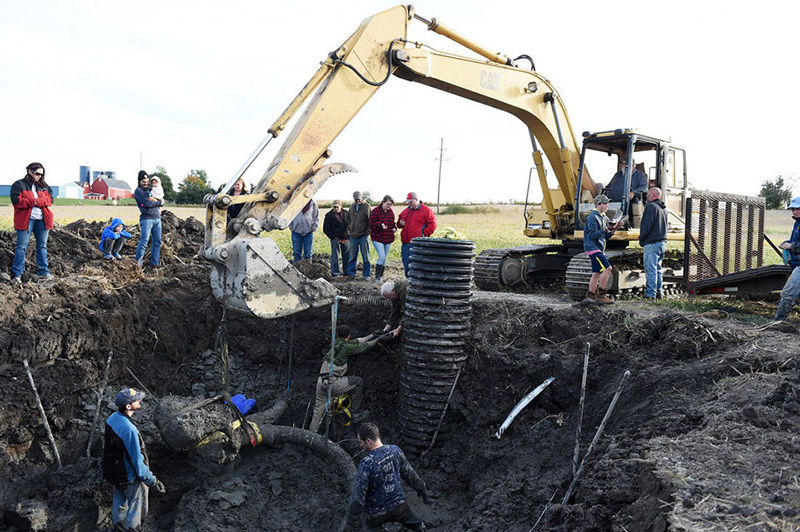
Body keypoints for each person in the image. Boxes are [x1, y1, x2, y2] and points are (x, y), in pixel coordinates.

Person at [344, 422, 429, 532]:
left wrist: (350, 521)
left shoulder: (366, 463)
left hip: (376, 513)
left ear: (368, 441)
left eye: (361, 442)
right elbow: (409, 474)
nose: (360, 446)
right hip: (399, 507)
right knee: (416, 523)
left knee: (369, 525)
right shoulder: (395, 451)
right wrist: (421, 487)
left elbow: (358, 495)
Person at [309, 325, 392, 434]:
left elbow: (358, 341)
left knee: (318, 411)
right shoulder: (346, 348)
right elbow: (364, 346)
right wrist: (378, 339)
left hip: (321, 383)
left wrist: (373, 335)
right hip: (332, 383)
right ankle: (355, 414)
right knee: (358, 382)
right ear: (348, 336)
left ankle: (310, 436)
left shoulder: (337, 343)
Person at [103, 388, 165, 531]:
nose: (140, 400)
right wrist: (150, 480)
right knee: (137, 511)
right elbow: (137, 459)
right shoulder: (129, 429)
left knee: (119, 505)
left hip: (115, 474)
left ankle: (118, 528)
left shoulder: (112, 419)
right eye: (137, 399)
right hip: (130, 477)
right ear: (128, 406)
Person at [11, 163, 55, 283]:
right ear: (30, 171)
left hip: (42, 219)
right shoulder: (18, 185)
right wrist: (36, 202)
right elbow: (17, 201)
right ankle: (17, 274)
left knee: (42, 246)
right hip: (26, 220)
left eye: (41, 174)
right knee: (21, 247)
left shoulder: (44, 186)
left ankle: (43, 271)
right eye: (37, 174)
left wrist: (34, 201)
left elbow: (50, 200)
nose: (39, 176)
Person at [583, 194, 622, 304]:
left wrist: (613, 230)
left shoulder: (604, 217)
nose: (607, 205)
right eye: (604, 203)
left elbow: (604, 237)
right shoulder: (592, 217)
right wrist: (605, 230)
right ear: (597, 204)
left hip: (598, 248)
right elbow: (592, 235)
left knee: (596, 273)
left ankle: (590, 296)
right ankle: (601, 295)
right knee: (608, 268)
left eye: (607, 203)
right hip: (593, 248)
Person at [773, 196, 800, 322]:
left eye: (798, 209)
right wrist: (786, 243)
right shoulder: (797, 223)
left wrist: (792, 246)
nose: (795, 212)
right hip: (796, 263)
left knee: (788, 294)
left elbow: (796, 245)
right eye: (793, 209)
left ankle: (777, 322)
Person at [638, 187, 668, 300]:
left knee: (651, 269)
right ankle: (659, 293)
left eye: (648, 194)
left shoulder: (651, 207)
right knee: (658, 269)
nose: (646, 196)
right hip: (662, 242)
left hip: (652, 243)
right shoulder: (664, 208)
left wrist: (641, 239)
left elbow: (646, 226)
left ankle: (650, 295)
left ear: (652, 195)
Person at [397, 192, 437, 277]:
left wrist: (423, 235)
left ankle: (416, 284)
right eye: (408, 202)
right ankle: (408, 283)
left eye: (411, 202)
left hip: (417, 244)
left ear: (416, 200)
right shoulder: (405, 211)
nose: (409, 204)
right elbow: (399, 224)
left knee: (416, 266)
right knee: (406, 265)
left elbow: (432, 224)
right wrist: (400, 223)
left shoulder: (426, 211)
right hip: (405, 243)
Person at [133, 171, 163, 269]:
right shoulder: (138, 191)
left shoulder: (151, 189)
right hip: (146, 219)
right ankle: (138, 264)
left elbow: (161, 198)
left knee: (157, 242)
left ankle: (154, 264)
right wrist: (158, 203)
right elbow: (147, 204)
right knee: (144, 241)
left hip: (157, 218)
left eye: (147, 181)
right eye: (143, 181)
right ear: (139, 181)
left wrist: (158, 201)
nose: (146, 183)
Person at [607, 160, 647, 226]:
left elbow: (644, 188)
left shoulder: (640, 175)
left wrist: (633, 193)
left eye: (627, 164)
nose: (624, 165)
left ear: (634, 165)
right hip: (614, 204)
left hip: (629, 204)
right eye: (623, 164)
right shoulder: (618, 175)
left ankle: (629, 224)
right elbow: (609, 186)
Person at [370, 195, 397, 283]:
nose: (389, 206)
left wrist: (394, 228)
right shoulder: (375, 211)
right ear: (383, 202)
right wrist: (380, 225)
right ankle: (377, 277)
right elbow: (371, 224)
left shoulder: (391, 212)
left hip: (388, 237)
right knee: (381, 256)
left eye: (391, 205)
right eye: (388, 204)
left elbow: (392, 223)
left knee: (385, 258)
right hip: (377, 237)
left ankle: (381, 275)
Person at [347, 191, 372, 279]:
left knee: (365, 256)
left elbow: (370, 221)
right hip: (353, 235)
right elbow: (348, 219)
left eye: (359, 199)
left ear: (362, 198)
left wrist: (367, 232)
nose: (357, 201)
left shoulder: (367, 207)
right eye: (356, 199)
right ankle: (351, 274)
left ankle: (366, 275)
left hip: (363, 236)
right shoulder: (352, 207)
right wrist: (348, 230)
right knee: (352, 256)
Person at [323, 199, 351, 277]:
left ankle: (347, 273)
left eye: (337, 207)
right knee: (335, 256)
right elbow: (326, 229)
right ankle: (335, 273)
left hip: (346, 239)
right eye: (334, 207)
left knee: (347, 257)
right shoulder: (329, 216)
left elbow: (350, 224)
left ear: (341, 206)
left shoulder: (346, 213)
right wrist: (333, 238)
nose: (335, 208)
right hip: (335, 239)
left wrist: (349, 236)